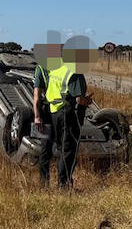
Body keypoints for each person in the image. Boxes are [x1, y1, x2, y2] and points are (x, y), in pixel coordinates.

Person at [45, 35, 94, 189]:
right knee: (69, 150)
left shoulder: (56, 68)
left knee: (61, 148)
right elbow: (79, 100)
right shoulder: (75, 71)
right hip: (69, 113)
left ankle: (61, 182)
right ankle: (64, 185)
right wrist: (88, 101)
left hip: (53, 111)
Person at [31, 33, 62, 185]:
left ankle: (44, 183)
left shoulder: (41, 68)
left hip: (47, 110)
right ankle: (64, 184)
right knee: (64, 147)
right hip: (63, 110)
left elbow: (37, 95)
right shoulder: (64, 67)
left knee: (46, 147)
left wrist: (37, 116)